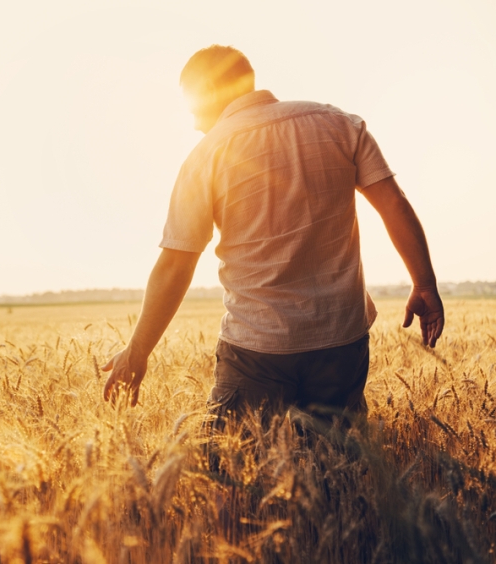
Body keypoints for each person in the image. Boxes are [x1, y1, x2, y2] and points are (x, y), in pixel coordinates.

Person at [101, 45, 444, 423]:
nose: (194, 121)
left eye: (192, 105)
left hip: (256, 349)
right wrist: (424, 282)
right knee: (339, 468)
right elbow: (393, 203)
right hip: (341, 341)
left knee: (237, 467)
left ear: (211, 91)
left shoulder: (205, 155)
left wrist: (136, 353)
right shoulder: (340, 124)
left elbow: (176, 264)